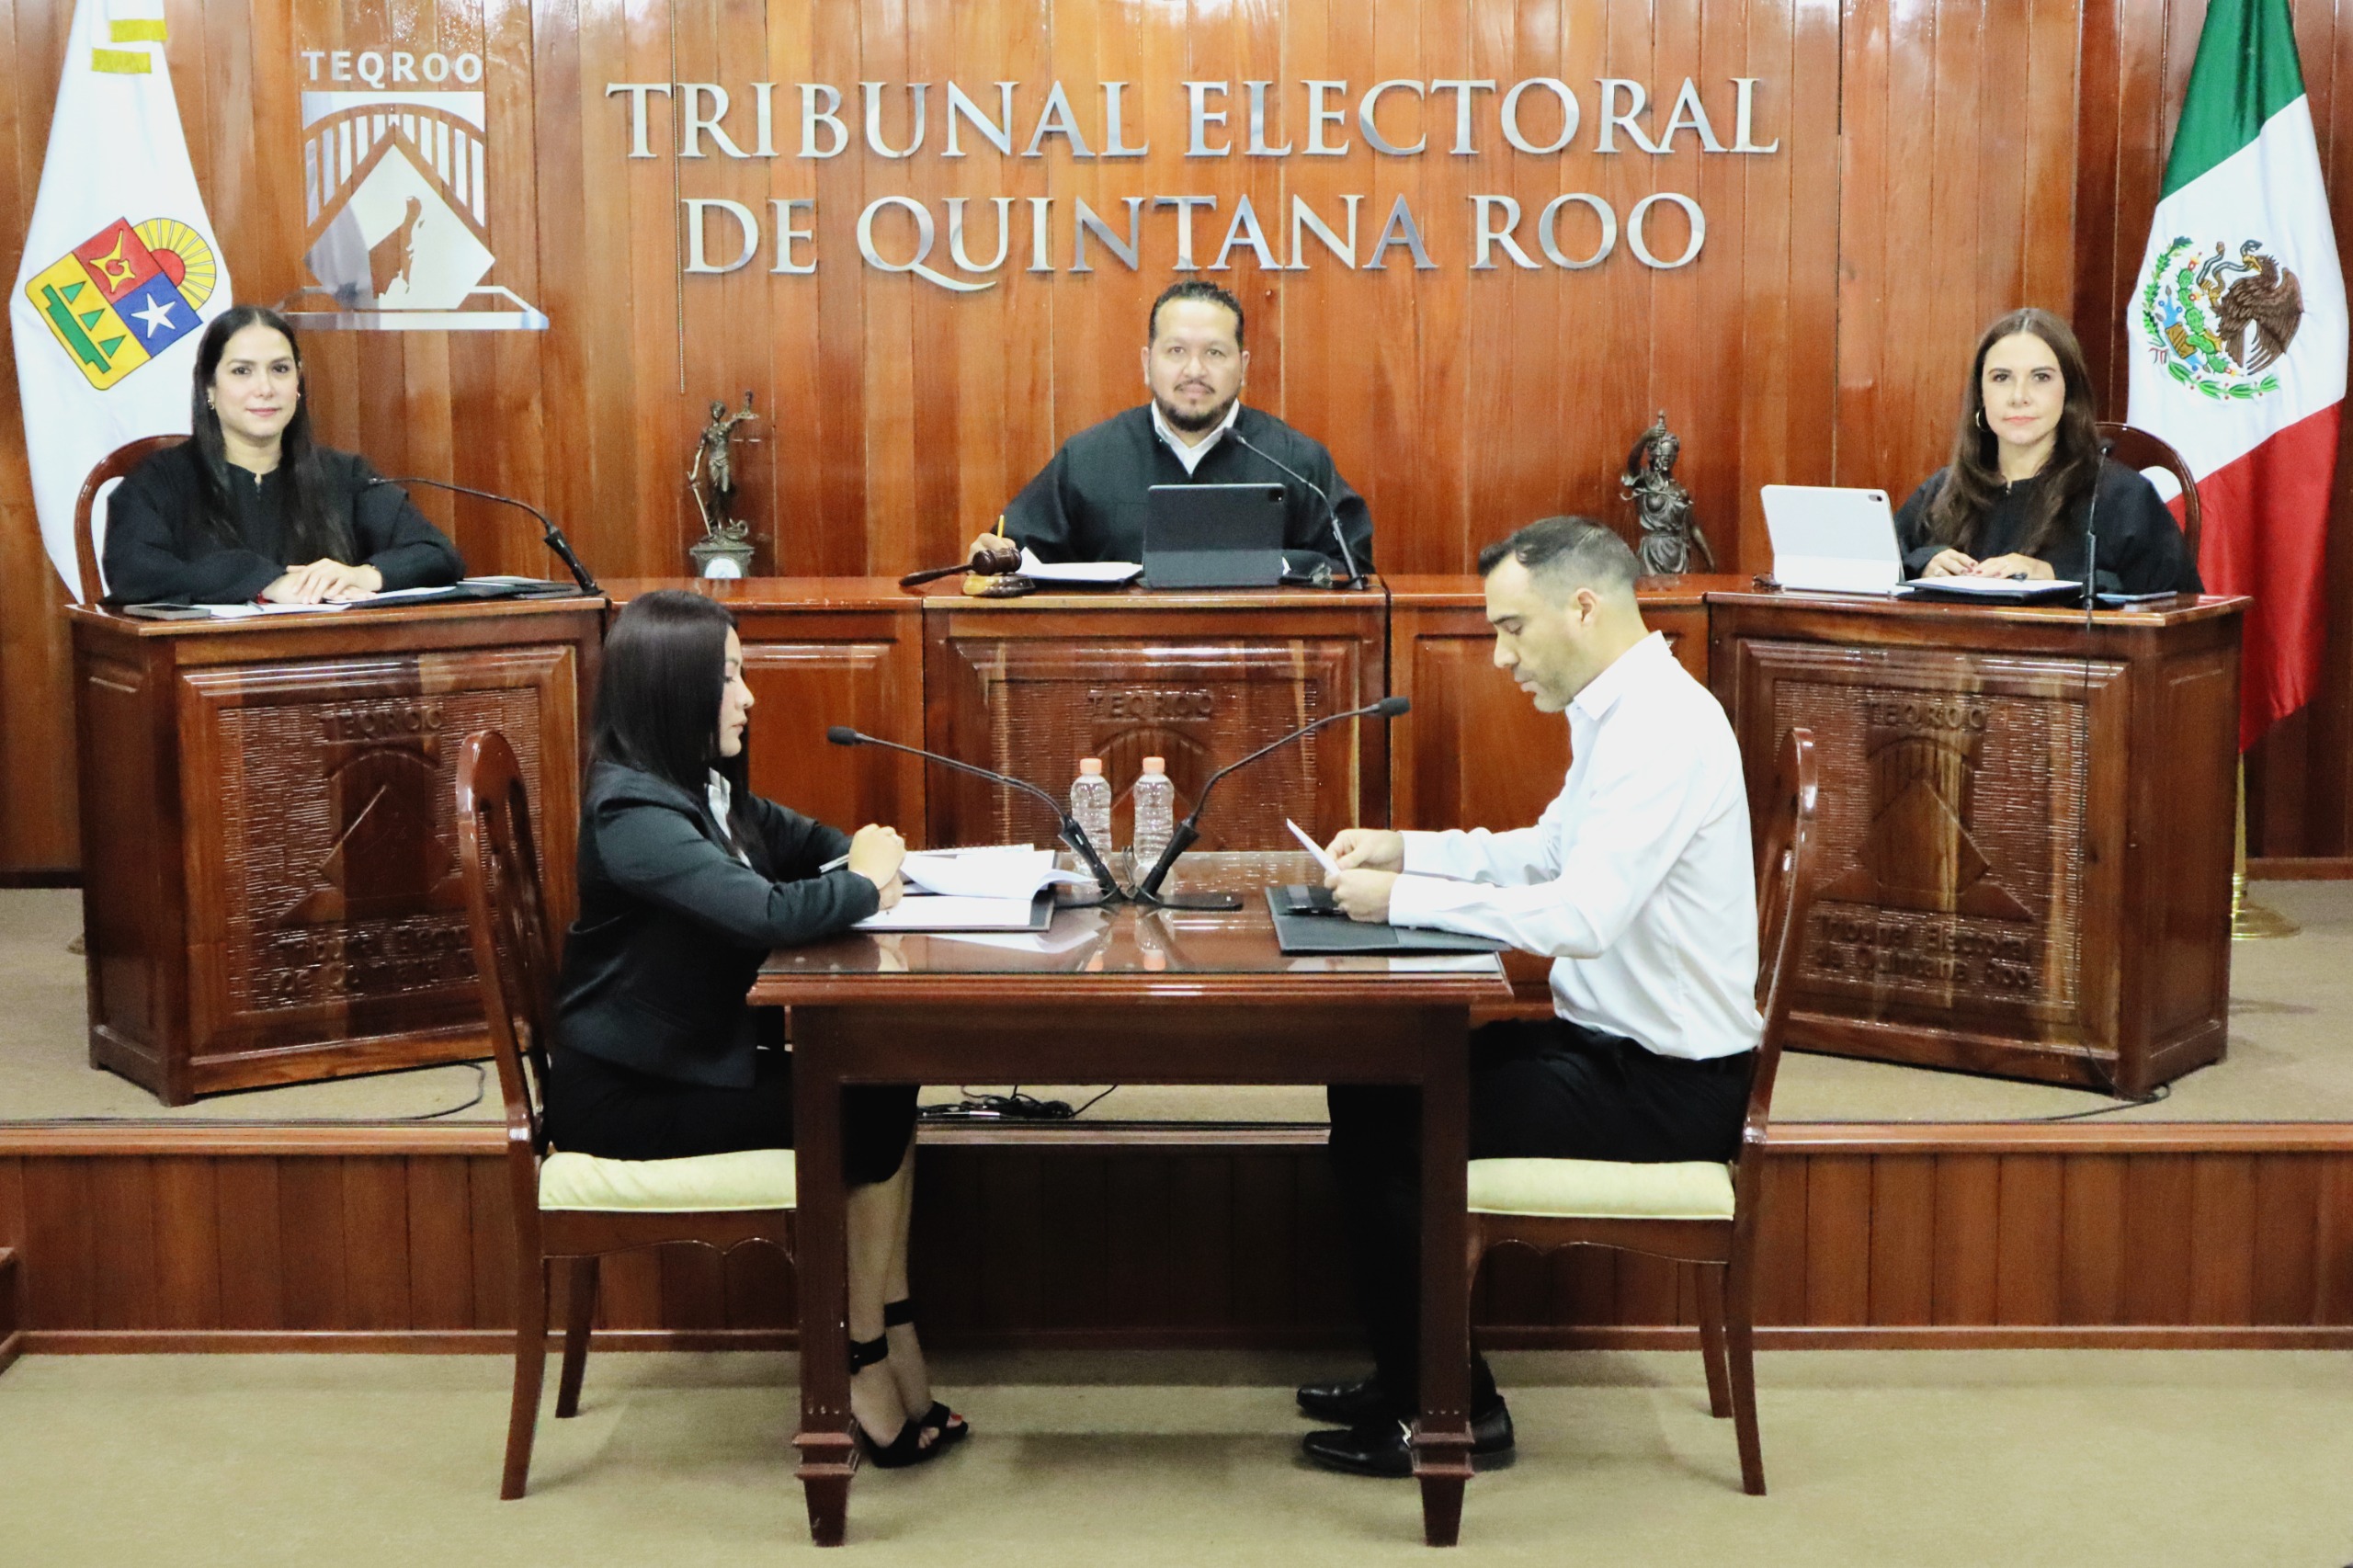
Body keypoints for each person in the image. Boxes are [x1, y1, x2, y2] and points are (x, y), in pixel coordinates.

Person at [1298, 516, 1760, 1478]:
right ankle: (1413, 1373)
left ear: (1582, 607)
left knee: (1395, 1131)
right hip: (1605, 1049)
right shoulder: (1622, 709)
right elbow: (1550, 852)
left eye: (1511, 628)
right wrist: (1408, 850)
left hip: (1666, 1086)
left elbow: (1582, 915)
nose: (1502, 656)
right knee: (1371, 1082)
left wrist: (1401, 901)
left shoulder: (1664, 729)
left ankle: (1454, 1411)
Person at [544, 589, 966, 1468]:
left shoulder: (702, 790)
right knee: (865, 1108)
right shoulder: (633, 815)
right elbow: (764, 913)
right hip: (627, 1093)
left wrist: (864, 862)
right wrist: (865, 881)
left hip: (691, 1062)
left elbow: (811, 843)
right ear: (675, 692)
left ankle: (887, 1325)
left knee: (886, 1080)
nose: (749, 697)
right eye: (730, 678)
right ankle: (858, 1356)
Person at [971, 280, 1374, 581]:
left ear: (1243, 366)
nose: (1194, 370)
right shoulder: (1089, 458)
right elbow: (1016, 558)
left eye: (1214, 352)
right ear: (1147, 363)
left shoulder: (1297, 461)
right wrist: (993, 556)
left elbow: (1353, 569)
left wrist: (1276, 565)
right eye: (1176, 351)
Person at [101, 304, 464, 605]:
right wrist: (265, 582)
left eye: (280, 369)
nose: (265, 388)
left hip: (331, 663)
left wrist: (363, 575)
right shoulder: (159, 481)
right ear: (209, 387)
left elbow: (437, 553)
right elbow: (133, 572)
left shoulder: (344, 475)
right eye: (242, 371)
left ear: (297, 383)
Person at [1896, 307, 2200, 596]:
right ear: (1981, 394)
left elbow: (2177, 608)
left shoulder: (2122, 497)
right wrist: (1924, 564)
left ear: (2069, 391)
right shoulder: (1942, 492)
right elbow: (1881, 566)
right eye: (2001, 377)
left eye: (2041, 377)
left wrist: (2059, 578)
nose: (2019, 396)